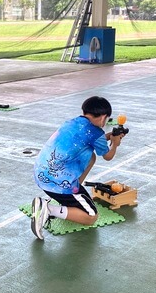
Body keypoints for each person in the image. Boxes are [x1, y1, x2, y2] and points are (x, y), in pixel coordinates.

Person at [30, 96, 125, 240]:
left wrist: (107, 137)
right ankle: (47, 209)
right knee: (91, 216)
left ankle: (69, 199)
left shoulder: (71, 123)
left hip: (42, 174)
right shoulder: (96, 133)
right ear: (104, 117)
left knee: (91, 157)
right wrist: (116, 143)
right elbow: (108, 156)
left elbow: (85, 140)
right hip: (58, 184)